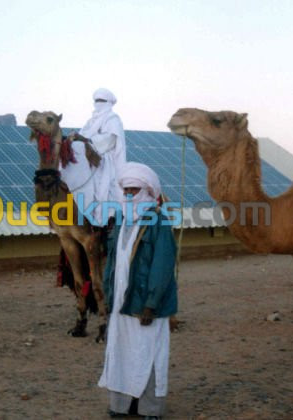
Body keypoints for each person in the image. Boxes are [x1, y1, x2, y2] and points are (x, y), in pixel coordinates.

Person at [98, 162, 178, 419]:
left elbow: (163, 265)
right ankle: (121, 405)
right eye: (127, 190)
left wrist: (151, 303)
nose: (130, 195)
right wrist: (109, 297)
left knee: (149, 354)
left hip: (144, 305)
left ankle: (149, 409)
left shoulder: (158, 222)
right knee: (121, 351)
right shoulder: (120, 220)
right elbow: (113, 261)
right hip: (121, 302)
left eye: (135, 189)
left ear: (147, 191)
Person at [72, 88, 126, 225]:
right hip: (88, 162)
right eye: (96, 101)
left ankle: (108, 221)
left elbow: (111, 140)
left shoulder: (113, 119)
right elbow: (82, 137)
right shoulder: (91, 121)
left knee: (105, 193)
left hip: (106, 162)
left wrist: (89, 140)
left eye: (101, 100)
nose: (98, 103)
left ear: (108, 102)